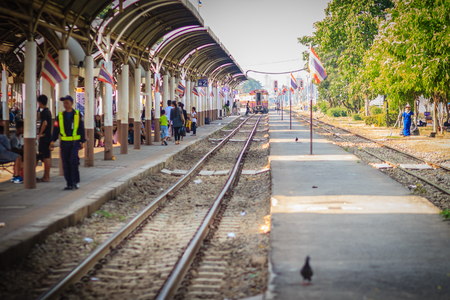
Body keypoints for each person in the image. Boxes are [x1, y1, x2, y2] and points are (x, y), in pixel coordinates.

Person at [50, 95, 86, 190]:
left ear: (72, 103)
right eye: (64, 103)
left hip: (74, 143)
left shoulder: (78, 115)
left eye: (67, 103)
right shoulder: (60, 116)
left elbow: (81, 129)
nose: (65, 105)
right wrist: (52, 140)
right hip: (64, 143)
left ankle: (75, 181)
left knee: (73, 161)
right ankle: (69, 183)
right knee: (65, 163)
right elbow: (56, 129)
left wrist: (82, 141)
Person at [37, 95, 52, 182]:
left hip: (44, 137)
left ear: (40, 102)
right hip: (48, 137)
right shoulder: (48, 111)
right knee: (47, 156)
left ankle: (46, 176)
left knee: (45, 157)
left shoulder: (44, 113)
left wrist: (40, 134)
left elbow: (44, 123)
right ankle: (46, 175)